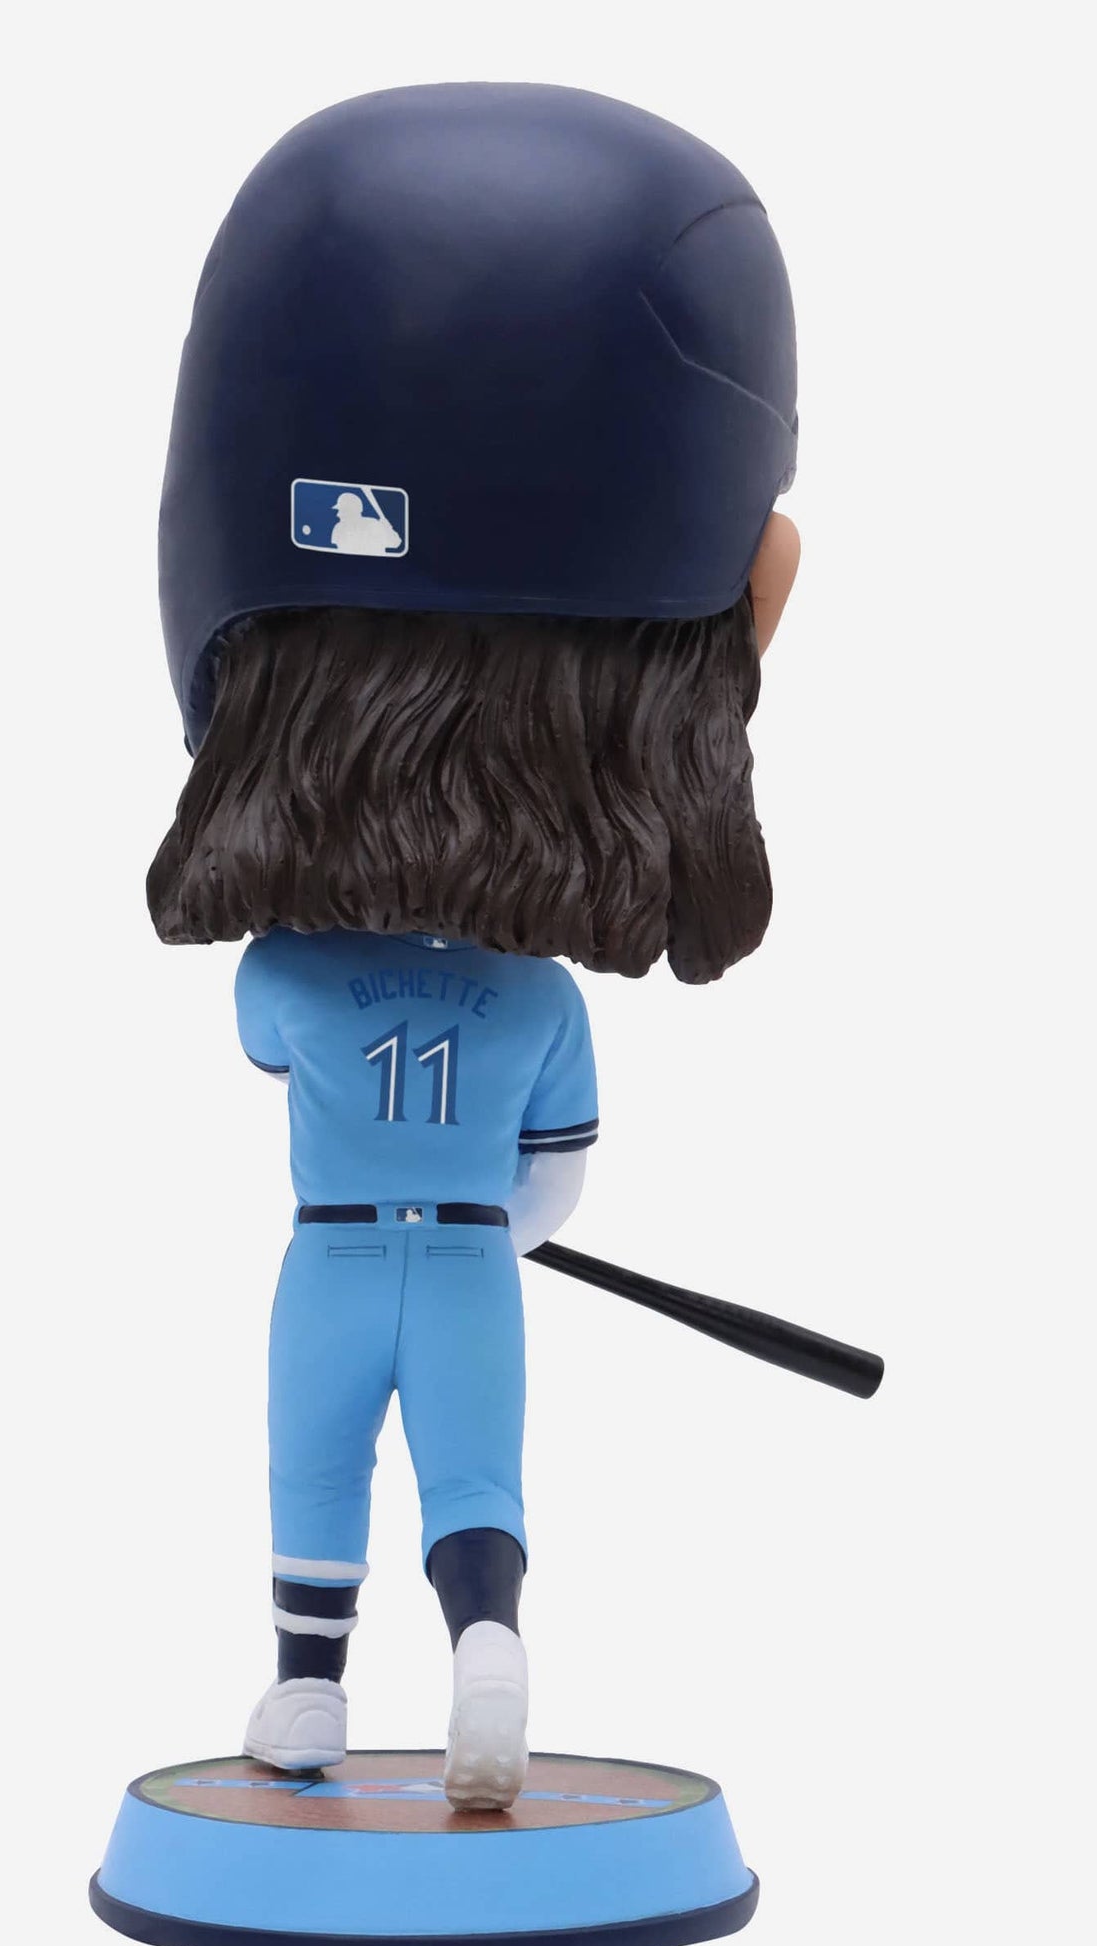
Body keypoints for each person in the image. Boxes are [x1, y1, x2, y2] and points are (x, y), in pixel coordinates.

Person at [148, 83, 801, 1810]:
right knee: (473, 1480)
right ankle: (485, 1643)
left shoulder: (283, 979)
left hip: (328, 1255)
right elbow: (548, 1187)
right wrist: (493, 1223)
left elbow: (284, 1045)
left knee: (311, 1468)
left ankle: (305, 1690)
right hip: (465, 1264)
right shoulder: (536, 1003)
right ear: (760, 591)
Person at [328, 490, 401, 554]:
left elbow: (395, 543)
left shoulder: (373, 525)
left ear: (353, 511)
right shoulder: (339, 528)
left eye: (343, 511)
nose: (338, 514)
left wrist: (387, 528)